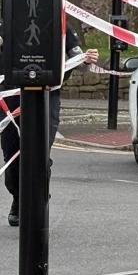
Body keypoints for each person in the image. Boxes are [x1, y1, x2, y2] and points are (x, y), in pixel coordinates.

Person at [1, 26, 100, 226]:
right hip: (10, 98)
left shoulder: (61, 25)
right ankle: (18, 198)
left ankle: (38, 202)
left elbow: (79, 60)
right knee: (12, 156)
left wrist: (87, 59)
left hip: (46, 96)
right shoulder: (8, 20)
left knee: (39, 153)